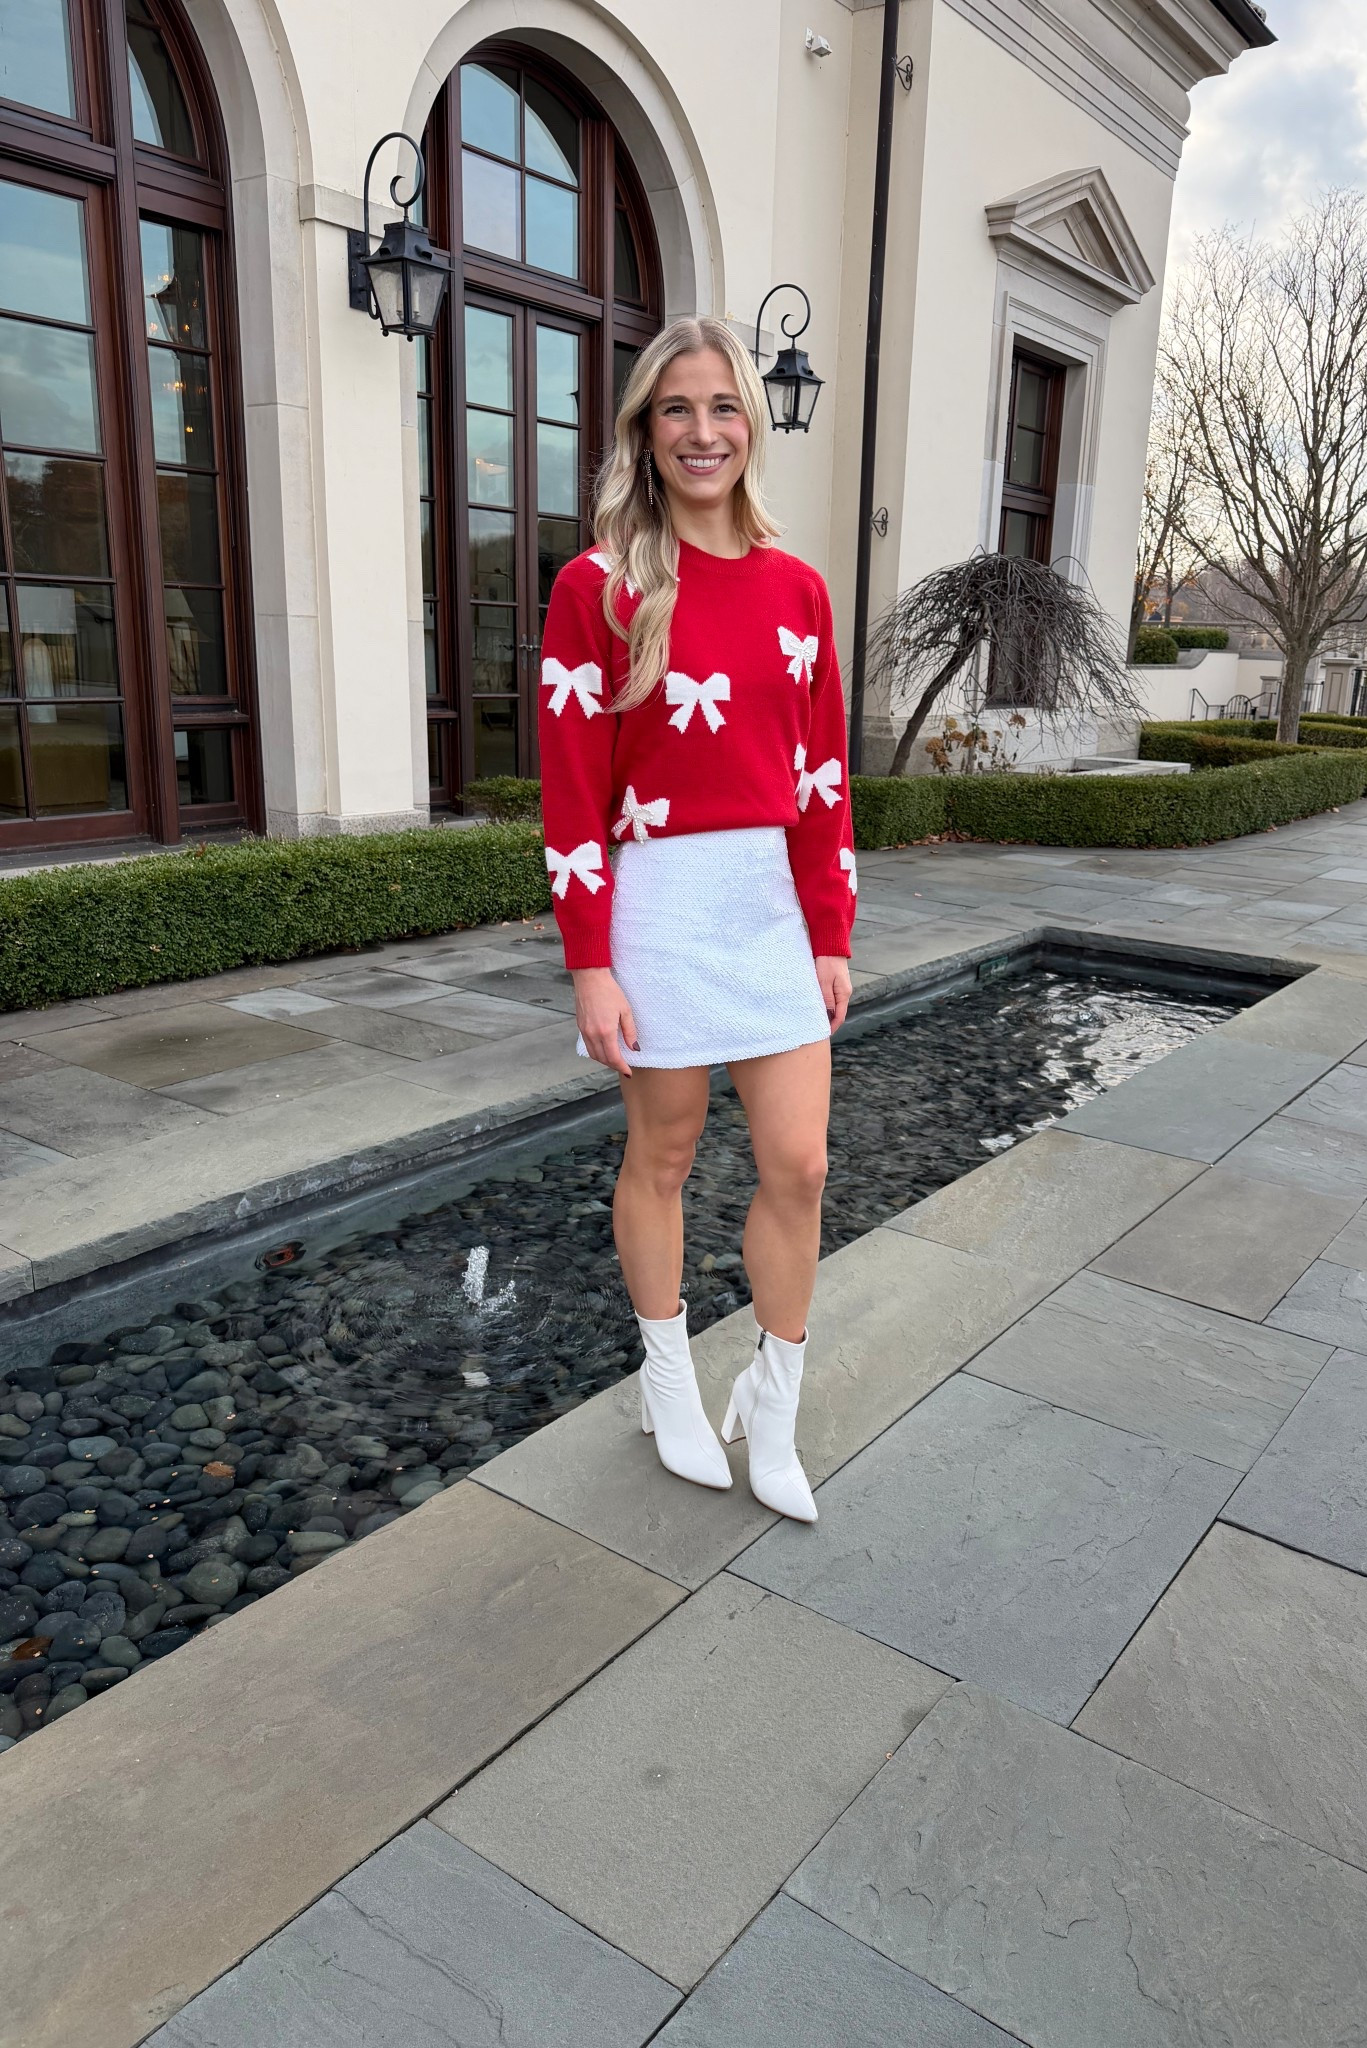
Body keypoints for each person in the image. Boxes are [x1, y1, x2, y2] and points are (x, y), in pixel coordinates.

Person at [537, 316, 856, 1524]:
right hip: (657, 906)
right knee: (661, 1156)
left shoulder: (799, 591)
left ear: (750, 424)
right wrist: (589, 961)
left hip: (767, 907)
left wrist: (829, 930)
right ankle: (668, 1375)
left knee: (802, 1163)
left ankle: (771, 1400)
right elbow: (572, 789)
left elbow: (823, 780)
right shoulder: (601, 587)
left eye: (723, 406)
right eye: (678, 409)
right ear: (645, 430)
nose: (703, 430)